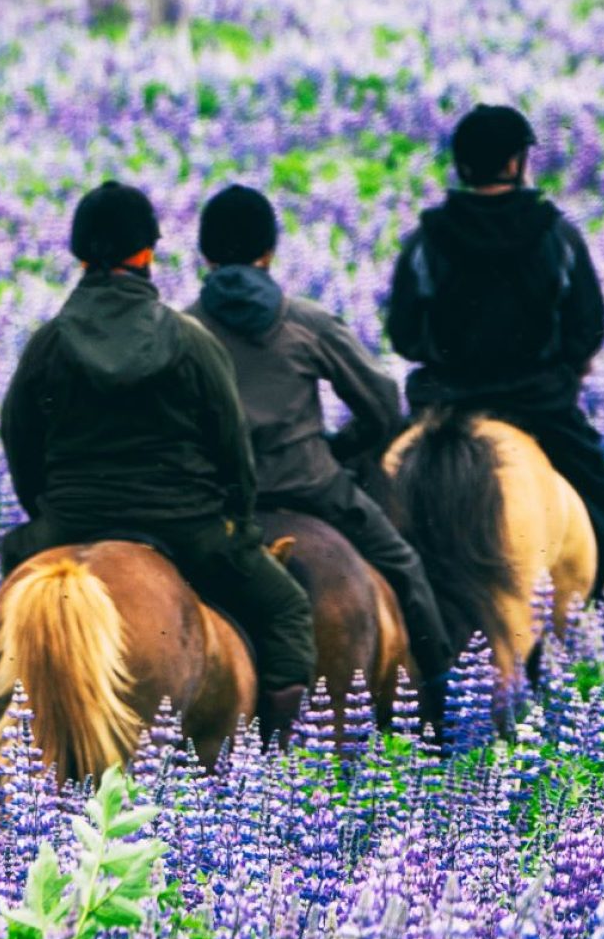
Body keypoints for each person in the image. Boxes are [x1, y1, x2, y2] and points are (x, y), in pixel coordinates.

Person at [0, 182, 317, 733]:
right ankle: (272, 768)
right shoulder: (188, 340)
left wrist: (45, 512)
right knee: (286, 610)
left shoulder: (48, 344)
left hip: (71, 519)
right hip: (184, 525)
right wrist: (238, 519)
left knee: (10, 604)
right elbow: (231, 445)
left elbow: (17, 438)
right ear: (146, 253)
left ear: (79, 257)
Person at [186, 184, 453, 682]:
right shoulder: (307, 321)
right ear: (269, 251)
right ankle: (444, 710)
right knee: (404, 568)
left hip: (216, 502)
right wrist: (337, 448)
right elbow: (380, 403)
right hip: (309, 486)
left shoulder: (183, 328)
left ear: (205, 254)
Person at [387, 102, 604, 588]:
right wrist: (561, 366)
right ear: (516, 163)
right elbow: (588, 327)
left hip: (444, 408)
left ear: (461, 164)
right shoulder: (555, 234)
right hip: (539, 406)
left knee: (369, 504)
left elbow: (406, 335)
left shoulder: (427, 239)